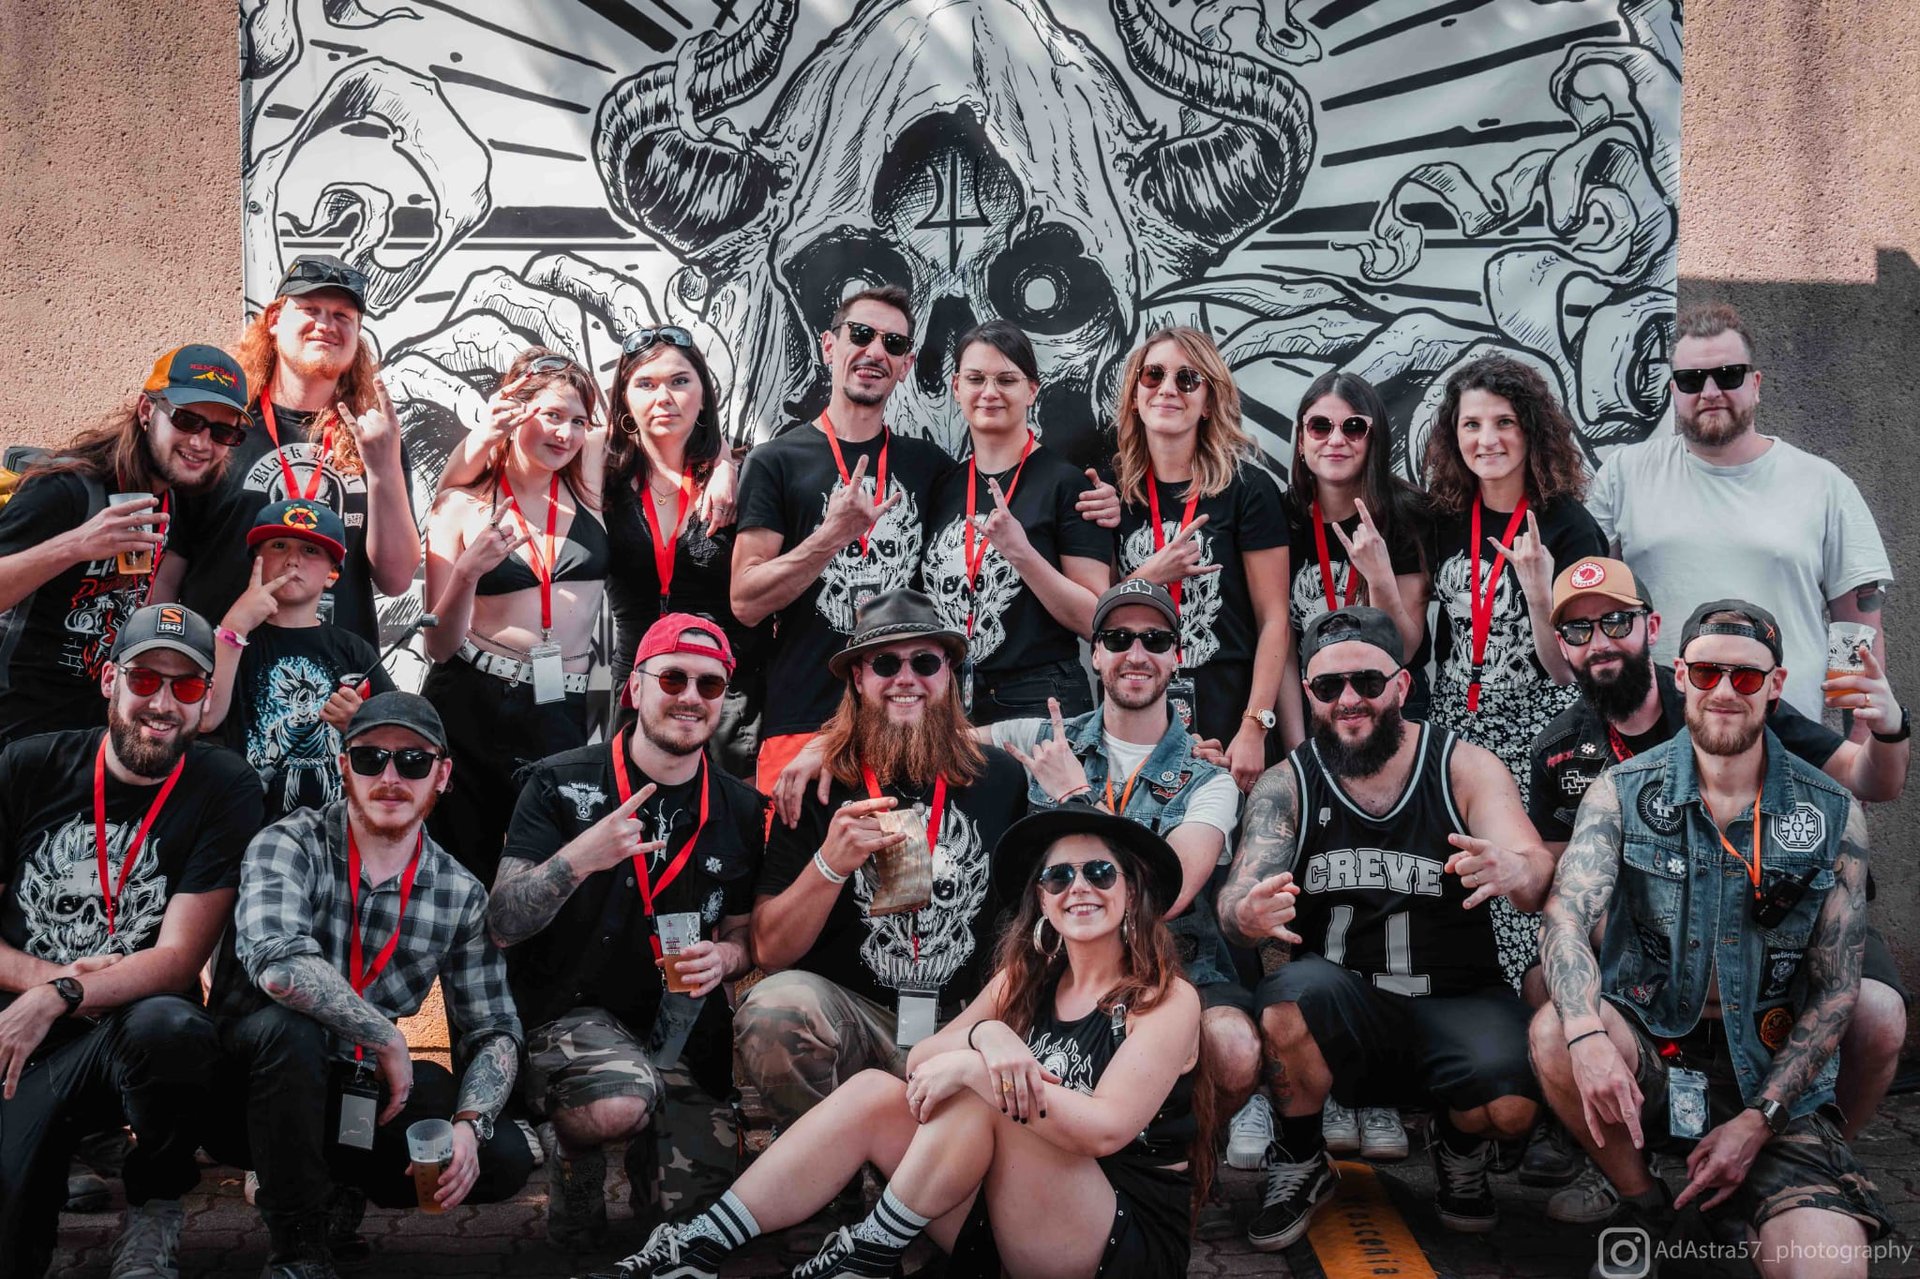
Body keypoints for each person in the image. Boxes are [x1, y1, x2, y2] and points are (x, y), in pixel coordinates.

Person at [581, 806, 1205, 1279]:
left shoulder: (1166, 998)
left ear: (1131, 891)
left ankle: (872, 1248)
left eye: (1100, 872)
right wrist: (987, 1035)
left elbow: (1104, 1132)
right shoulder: (1028, 978)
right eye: (1058, 876)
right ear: (1042, 898)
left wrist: (980, 1070)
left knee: (985, 1095)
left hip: (1113, 1239)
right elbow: (924, 1062)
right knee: (876, 1092)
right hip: (1011, 1219)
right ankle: (698, 1247)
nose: (1079, 888)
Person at [1527, 579, 1910, 1218]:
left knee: (1825, 1260)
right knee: (1554, 1026)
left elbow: (1837, 989)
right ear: (1681, 675)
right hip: (1660, 1034)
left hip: (1768, 1051)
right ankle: (1644, 1203)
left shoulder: (1826, 804)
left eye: (1747, 678)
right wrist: (1587, 1033)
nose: (1726, 691)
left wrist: (1762, 1119)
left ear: (1776, 685)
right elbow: (1565, 915)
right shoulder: (1614, 784)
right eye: (1706, 674)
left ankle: (1796, 1161)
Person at [1218, 606, 1552, 1249]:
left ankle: (1459, 1148)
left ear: (1401, 685)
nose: (1349, 699)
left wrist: (1515, 867)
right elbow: (1237, 899)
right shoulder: (1289, 783)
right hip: (1344, 1001)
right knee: (1284, 1005)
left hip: (1454, 995)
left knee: (1511, 1110)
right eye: (1328, 686)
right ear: (1309, 694)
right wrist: (1247, 913)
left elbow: (1535, 870)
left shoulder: (1464, 766)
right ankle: (1301, 1157)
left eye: (1367, 682)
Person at [206, 691, 533, 1277]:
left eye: (413, 761)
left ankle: (340, 1185)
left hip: (359, 1085)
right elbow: (278, 964)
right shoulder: (288, 842)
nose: (390, 777)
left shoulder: (458, 892)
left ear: (442, 776)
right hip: (250, 1085)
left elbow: (494, 1028)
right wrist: (385, 1035)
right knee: (291, 1033)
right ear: (343, 766)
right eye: (369, 758)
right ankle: (298, 1248)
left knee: (501, 1155)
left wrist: (469, 1124)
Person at [0, 603, 263, 1279]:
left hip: (129, 1034)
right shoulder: (28, 765)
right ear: (109, 678)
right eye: (145, 679)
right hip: (19, 1035)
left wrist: (65, 992)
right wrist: (46, 986)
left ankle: (154, 1202)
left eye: (187, 685)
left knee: (173, 1027)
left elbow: (178, 960)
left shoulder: (224, 785)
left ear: (206, 698)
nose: (163, 703)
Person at [488, 615, 765, 1250]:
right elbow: (502, 922)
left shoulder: (740, 808)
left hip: (681, 1030)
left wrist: (726, 957)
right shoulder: (558, 783)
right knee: (616, 1104)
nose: (690, 696)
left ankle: (654, 1157)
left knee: (695, 1225)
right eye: (672, 678)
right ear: (634, 688)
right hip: (572, 1014)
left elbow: (744, 932)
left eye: (709, 685)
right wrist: (579, 858)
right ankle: (575, 1158)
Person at [974, 578, 1259, 1152]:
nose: (1137, 653)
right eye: (1118, 638)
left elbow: (1172, 888)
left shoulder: (1211, 778)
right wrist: (822, 749)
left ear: (1177, 657)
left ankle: (1183, 1158)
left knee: (1234, 1047)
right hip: (1057, 966)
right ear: (1096, 653)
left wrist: (1074, 796)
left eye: (1155, 640)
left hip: (1175, 968)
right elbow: (933, 739)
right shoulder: (1042, 740)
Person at [735, 589, 1028, 1123]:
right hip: (856, 1020)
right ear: (858, 678)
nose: (905, 679)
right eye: (886, 664)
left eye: (925, 663)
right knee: (775, 1011)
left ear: (948, 673)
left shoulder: (1001, 778)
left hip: (964, 1024)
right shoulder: (819, 786)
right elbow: (769, 952)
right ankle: (827, 1159)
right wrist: (830, 864)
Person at [436, 325, 759, 774]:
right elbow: (453, 486)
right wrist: (485, 434)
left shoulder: (746, 475)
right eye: (645, 384)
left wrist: (724, 465)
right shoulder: (598, 462)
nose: (663, 397)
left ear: (703, 392)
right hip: (637, 683)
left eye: (679, 381)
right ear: (624, 400)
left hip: (722, 687)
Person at [1588, 302, 1893, 720]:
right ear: (1674, 390)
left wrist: (1859, 741)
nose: (1710, 392)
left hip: (1786, 737)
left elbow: (1855, 631)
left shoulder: (1823, 484)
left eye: (1728, 375)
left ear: (1756, 383)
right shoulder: (1625, 474)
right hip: (1657, 735)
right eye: (1692, 380)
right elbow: (1592, 604)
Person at [1421, 353, 1606, 988]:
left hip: (1537, 735)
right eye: (1471, 424)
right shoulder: (1446, 516)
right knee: (1458, 882)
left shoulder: (1569, 526)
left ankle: (1536, 1017)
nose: (1488, 439)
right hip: (1456, 728)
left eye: (1503, 422)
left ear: (1531, 430)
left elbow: (1573, 675)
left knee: (1523, 891)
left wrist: (1536, 590)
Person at [730, 285, 954, 795]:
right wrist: (833, 536)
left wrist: (1101, 502)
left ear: (906, 365)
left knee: (908, 851)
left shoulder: (931, 466)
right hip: (803, 716)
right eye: (861, 334)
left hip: (904, 722)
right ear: (829, 346)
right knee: (794, 851)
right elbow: (745, 601)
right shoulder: (775, 461)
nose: (875, 351)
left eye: (893, 344)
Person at [164, 255, 419, 646]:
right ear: (274, 320)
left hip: (335, 671)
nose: (326, 325)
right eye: (310, 309)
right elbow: (170, 565)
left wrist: (384, 468)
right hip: (224, 664)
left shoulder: (374, 438)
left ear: (357, 333)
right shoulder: (223, 428)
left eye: (342, 315)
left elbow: (396, 579)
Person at [421, 348, 606, 885]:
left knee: (550, 874)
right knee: (459, 872)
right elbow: (438, 646)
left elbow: (673, 433)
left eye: (578, 421)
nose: (566, 434)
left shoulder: (590, 483)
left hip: (562, 703)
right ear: (514, 410)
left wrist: (723, 466)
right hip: (474, 699)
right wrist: (467, 573)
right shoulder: (459, 505)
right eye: (551, 415)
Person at [0, 344, 249, 742]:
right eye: (187, 420)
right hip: (17, 732)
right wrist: (75, 545)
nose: (201, 443)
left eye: (222, 432)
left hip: (95, 734)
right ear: (147, 410)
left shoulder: (172, 498)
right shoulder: (65, 489)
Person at [1112, 326, 1290, 791]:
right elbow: (1098, 616)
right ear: (1135, 396)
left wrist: (1255, 725)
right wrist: (1152, 574)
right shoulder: (1114, 496)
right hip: (1136, 718)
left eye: (1188, 379)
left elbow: (1274, 619)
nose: (1168, 389)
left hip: (1231, 720)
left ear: (1209, 402)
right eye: (1153, 375)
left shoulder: (1249, 490)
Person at [921, 321, 1111, 722]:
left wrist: (1021, 554)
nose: (989, 392)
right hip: (949, 700)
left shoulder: (1066, 484)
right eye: (976, 379)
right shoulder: (943, 487)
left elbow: (1096, 619)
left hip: (1039, 698)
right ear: (956, 387)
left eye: (1006, 380)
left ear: (1032, 390)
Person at [203, 499, 396, 816]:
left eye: (310, 550)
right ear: (256, 561)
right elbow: (205, 717)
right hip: (247, 823)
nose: (293, 560)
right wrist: (234, 626)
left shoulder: (354, 650)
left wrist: (359, 724)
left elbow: (401, 736)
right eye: (279, 546)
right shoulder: (229, 639)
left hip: (335, 825)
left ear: (332, 574)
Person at [1282, 370, 1431, 740]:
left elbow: (1405, 649)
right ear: (1301, 440)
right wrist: (1296, 746)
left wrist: (1379, 578)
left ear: (1373, 440)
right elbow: (1278, 640)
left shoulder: (1407, 514)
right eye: (1320, 426)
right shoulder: (1282, 517)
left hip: (1391, 711)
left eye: (1353, 427)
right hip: (1315, 706)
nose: (1336, 440)